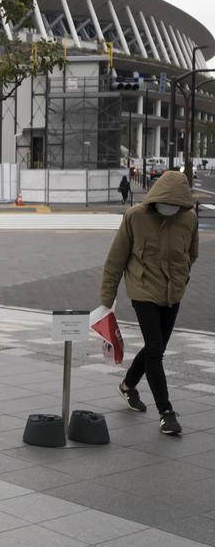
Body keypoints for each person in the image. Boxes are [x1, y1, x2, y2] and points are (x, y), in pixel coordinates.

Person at [99, 170, 199, 435]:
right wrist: (105, 303)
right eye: (165, 203)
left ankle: (128, 385)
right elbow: (115, 262)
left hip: (173, 293)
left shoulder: (189, 218)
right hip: (142, 291)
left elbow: (193, 253)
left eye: (174, 205)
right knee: (155, 349)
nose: (169, 209)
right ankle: (166, 412)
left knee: (156, 347)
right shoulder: (135, 217)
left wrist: (182, 278)